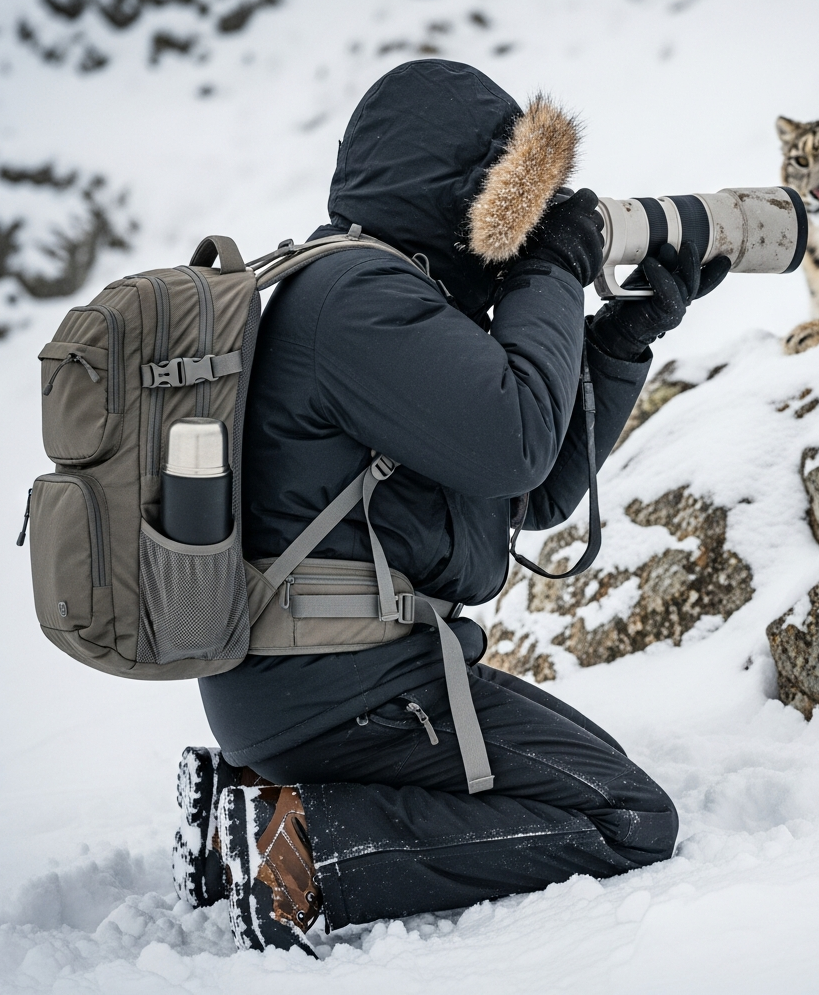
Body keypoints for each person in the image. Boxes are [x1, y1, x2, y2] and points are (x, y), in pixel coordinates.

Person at [185, 59, 730, 954]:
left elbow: (534, 486)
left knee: (599, 778)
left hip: (327, 680)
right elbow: (516, 437)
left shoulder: (391, 297)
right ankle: (308, 849)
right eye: (519, 198)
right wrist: (552, 272)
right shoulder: (357, 301)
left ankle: (235, 814)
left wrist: (621, 338)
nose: (529, 225)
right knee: (628, 818)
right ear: (471, 190)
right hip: (338, 687)